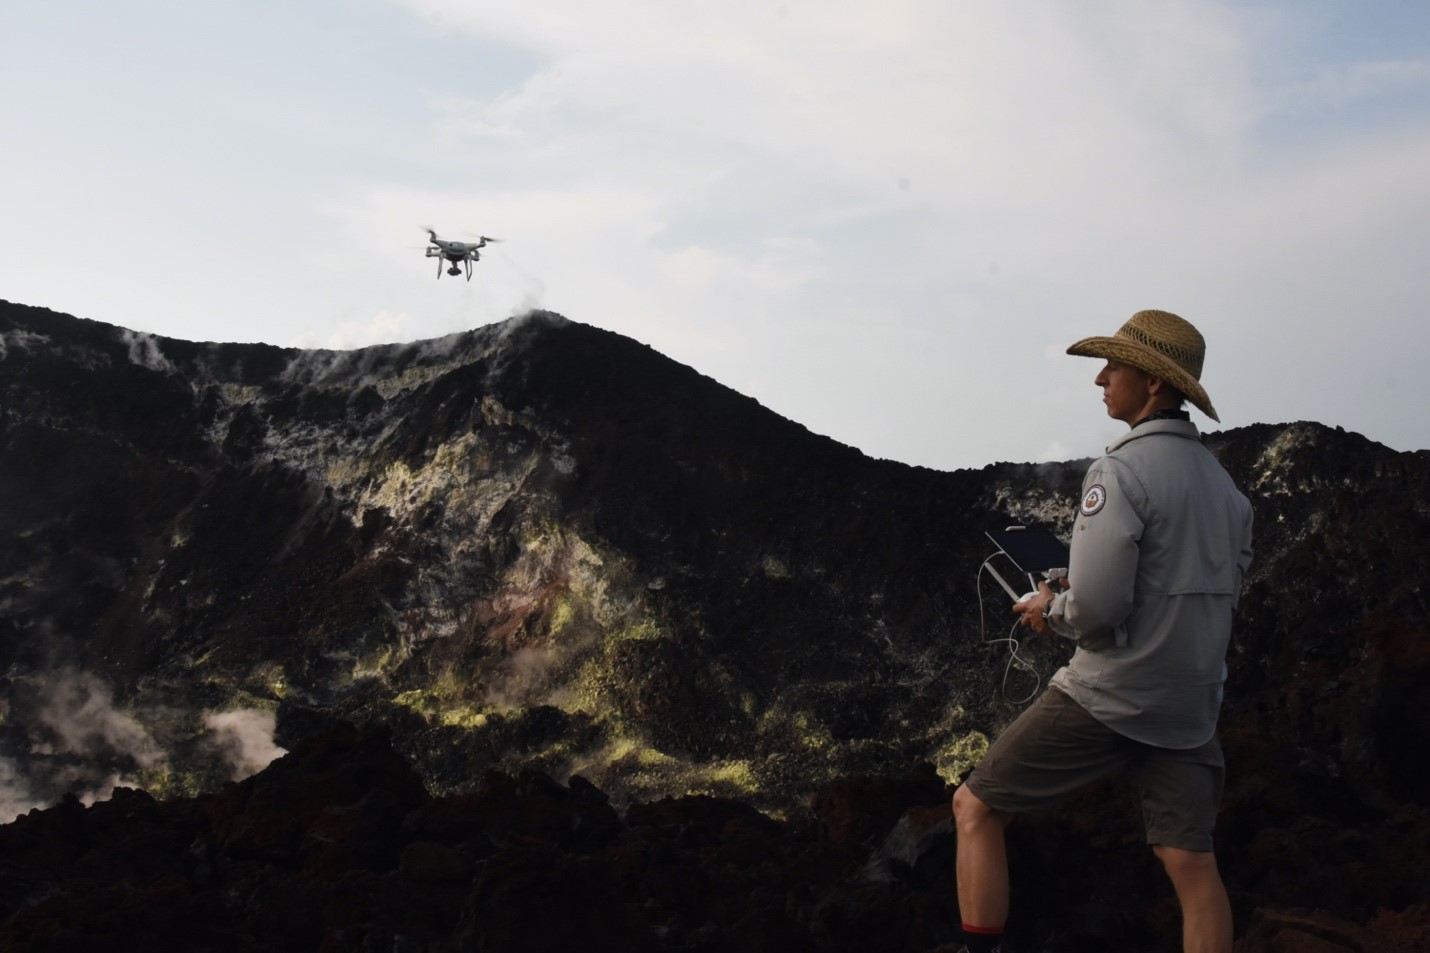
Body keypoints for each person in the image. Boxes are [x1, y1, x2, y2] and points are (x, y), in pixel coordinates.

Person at [952, 310, 1254, 953]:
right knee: (1192, 865)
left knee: (975, 809)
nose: (1100, 379)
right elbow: (1209, 587)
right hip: (1190, 705)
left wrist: (1049, 608)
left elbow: (1097, 611)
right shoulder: (1228, 492)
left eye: (1113, 366)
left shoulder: (1118, 473)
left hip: (1113, 694)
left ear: (1151, 383)